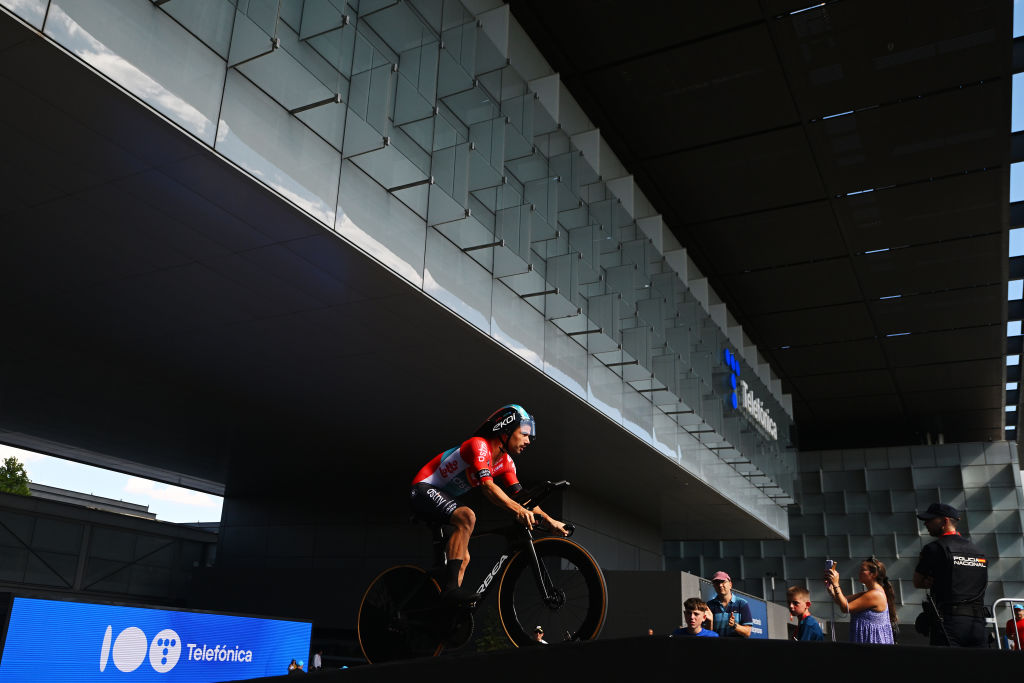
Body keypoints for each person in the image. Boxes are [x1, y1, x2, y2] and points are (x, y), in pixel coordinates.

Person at [409, 405, 568, 601]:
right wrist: (518, 510)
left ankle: (447, 614)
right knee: (467, 516)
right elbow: (487, 487)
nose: (529, 440)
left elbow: (522, 498)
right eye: (525, 433)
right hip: (423, 489)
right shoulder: (478, 445)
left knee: (463, 559)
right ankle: (450, 592)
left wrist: (551, 522)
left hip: (444, 500)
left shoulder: (506, 463)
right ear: (506, 428)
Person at [912, 502, 988, 647]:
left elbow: (918, 581)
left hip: (949, 623)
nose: (926, 524)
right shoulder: (978, 551)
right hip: (978, 624)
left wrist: (931, 580)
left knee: (947, 668)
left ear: (945, 521)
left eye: (930, 519)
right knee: (979, 668)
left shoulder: (934, 549)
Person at [824, 557, 895, 644]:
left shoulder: (875, 595)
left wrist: (836, 584)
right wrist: (831, 590)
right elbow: (842, 601)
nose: (859, 573)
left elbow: (845, 608)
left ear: (873, 574)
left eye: (863, 570)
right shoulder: (869, 594)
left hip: (872, 643)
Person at [706, 571, 752, 637]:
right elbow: (706, 634)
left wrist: (734, 625)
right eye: (716, 583)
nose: (720, 585)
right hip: (716, 646)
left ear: (730, 584)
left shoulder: (742, 603)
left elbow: (747, 633)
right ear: (714, 586)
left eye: (723, 582)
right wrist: (709, 622)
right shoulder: (709, 605)